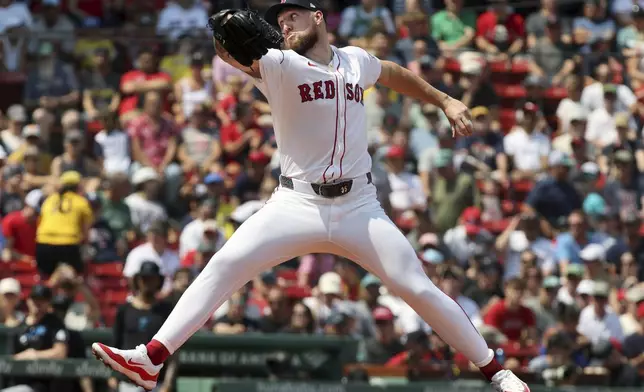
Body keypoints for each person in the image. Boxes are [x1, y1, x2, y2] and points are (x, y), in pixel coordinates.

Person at [92, 3, 530, 392]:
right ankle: (151, 359)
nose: (285, 24)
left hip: (359, 205)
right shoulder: (278, 65)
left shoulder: (356, 61)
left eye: (294, 15)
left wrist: (444, 99)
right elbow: (232, 55)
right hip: (296, 204)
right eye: (279, 20)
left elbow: (391, 72)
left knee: (416, 287)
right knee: (226, 264)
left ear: (318, 17)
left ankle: (496, 371)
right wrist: (223, 43)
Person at [35, 171, 93, 277]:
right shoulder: (81, 202)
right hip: (68, 244)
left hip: (43, 243)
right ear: (79, 186)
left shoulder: (49, 200)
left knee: (46, 278)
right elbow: (86, 231)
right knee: (74, 279)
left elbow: (40, 223)